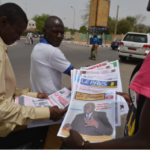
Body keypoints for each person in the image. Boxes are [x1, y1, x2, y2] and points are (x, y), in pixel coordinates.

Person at [62, 1, 150, 148]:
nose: (148, 7)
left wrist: (83, 147)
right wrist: (132, 101)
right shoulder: (78, 116)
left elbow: (145, 141)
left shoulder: (101, 116)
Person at [0, 3, 67, 149]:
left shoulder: (37, 47)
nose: (19, 38)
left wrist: (32, 94)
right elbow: (2, 109)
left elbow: (6, 90)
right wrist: (46, 112)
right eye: (17, 32)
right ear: (3, 22)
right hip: (3, 126)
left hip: (15, 108)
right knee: (59, 120)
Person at [30, 16, 74, 149]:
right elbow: (75, 74)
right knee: (66, 122)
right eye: (55, 32)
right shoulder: (52, 51)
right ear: (44, 31)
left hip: (39, 98)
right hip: (50, 104)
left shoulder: (38, 47)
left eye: (62, 32)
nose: (59, 36)